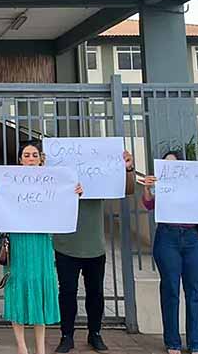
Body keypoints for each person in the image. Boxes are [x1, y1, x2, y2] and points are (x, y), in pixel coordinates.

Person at [0, 142, 83, 354]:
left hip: (41, 243)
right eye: (26, 155)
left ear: (41, 159)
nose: (30, 158)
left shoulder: (54, 183)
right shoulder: (9, 182)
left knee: (41, 289)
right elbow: (0, 209)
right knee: (17, 287)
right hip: (18, 243)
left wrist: (74, 193)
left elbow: (62, 206)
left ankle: (40, 348)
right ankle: (22, 346)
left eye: (34, 155)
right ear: (20, 160)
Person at [53, 150, 139, 353]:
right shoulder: (58, 179)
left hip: (94, 246)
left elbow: (127, 189)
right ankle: (67, 335)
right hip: (65, 245)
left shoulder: (101, 179)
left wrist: (128, 169)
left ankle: (95, 333)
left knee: (96, 293)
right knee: (67, 293)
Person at [141, 151, 198, 354]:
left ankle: (196, 343)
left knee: (194, 291)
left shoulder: (193, 184)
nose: (169, 168)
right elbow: (149, 205)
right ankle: (173, 342)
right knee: (170, 289)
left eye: (173, 164)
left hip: (192, 237)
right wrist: (149, 189)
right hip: (167, 236)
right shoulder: (161, 184)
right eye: (165, 164)